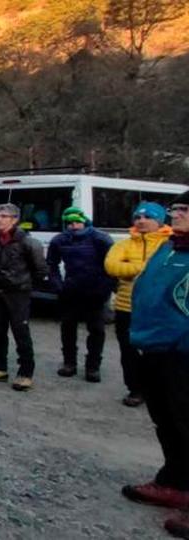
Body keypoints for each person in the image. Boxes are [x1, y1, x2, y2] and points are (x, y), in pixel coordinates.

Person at [121, 191, 189, 539]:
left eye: (184, 210)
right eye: (176, 208)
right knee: (167, 421)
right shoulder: (170, 245)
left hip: (182, 353)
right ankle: (175, 482)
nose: (175, 214)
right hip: (154, 348)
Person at [104, 202, 172, 407]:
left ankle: (161, 391)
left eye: (148, 217)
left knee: (160, 353)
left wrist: (130, 268)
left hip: (159, 309)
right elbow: (111, 266)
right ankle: (135, 389)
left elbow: (170, 271)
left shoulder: (170, 243)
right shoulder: (124, 244)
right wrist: (146, 268)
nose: (141, 221)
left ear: (159, 221)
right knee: (129, 352)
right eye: (138, 217)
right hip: (126, 307)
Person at [0, 203, 47, 391]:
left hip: (18, 294)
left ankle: (25, 373)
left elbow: (40, 269)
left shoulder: (28, 242)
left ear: (15, 219)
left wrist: (24, 284)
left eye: (3, 216)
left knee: (21, 332)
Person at [47, 206, 115, 383]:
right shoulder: (59, 240)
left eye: (77, 221)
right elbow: (51, 264)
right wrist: (57, 286)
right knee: (68, 328)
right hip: (70, 291)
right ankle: (69, 363)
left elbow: (112, 265)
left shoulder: (101, 239)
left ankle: (93, 367)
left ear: (85, 221)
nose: (74, 225)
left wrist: (106, 288)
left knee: (97, 330)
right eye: (69, 223)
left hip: (95, 292)